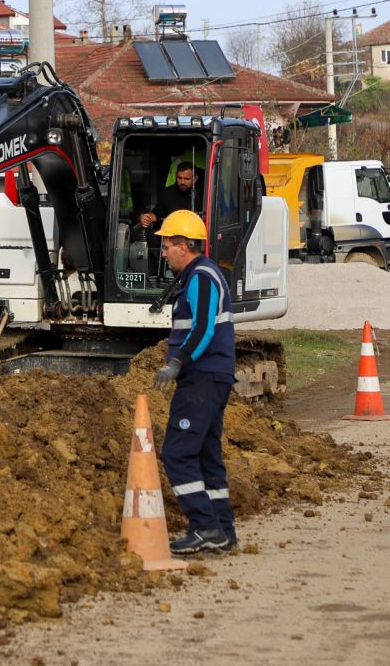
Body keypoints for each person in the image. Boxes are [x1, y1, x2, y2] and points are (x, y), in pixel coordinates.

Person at [150, 210, 237, 554]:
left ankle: (204, 527)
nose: (164, 252)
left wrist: (176, 363)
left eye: (168, 245)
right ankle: (223, 530)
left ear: (184, 247)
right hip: (212, 376)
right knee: (206, 455)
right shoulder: (199, 276)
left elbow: (203, 329)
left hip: (201, 378)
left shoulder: (201, 276)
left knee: (177, 453)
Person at [139, 161, 202, 229]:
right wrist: (146, 217)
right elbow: (156, 214)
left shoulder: (203, 194)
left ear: (195, 179)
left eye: (186, 179)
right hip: (172, 236)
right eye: (179, 178)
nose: (182, 182)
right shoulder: (167, 193)